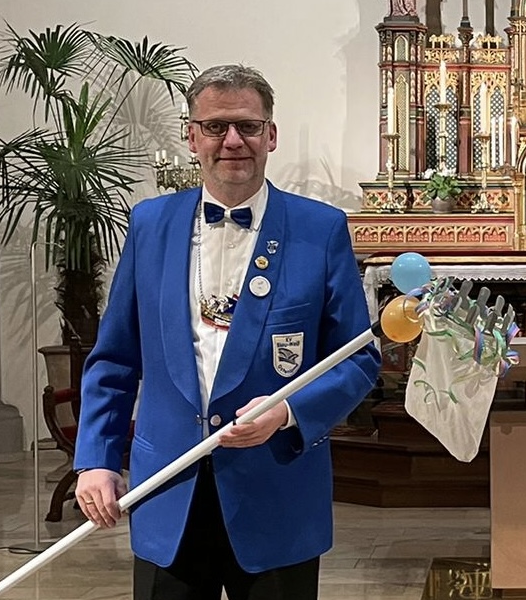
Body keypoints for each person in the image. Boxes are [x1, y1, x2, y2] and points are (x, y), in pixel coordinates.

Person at [73, 64, 381, 599]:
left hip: (276, 493)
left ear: (271, 135)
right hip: (168, 489)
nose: (233, 140)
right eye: (215, 126)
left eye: (248, 126)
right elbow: (115, 358)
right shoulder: (149, 225)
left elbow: (357, 358)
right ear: (191, 137)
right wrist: (97, 459)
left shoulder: (320, 228)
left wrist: (287, 412)